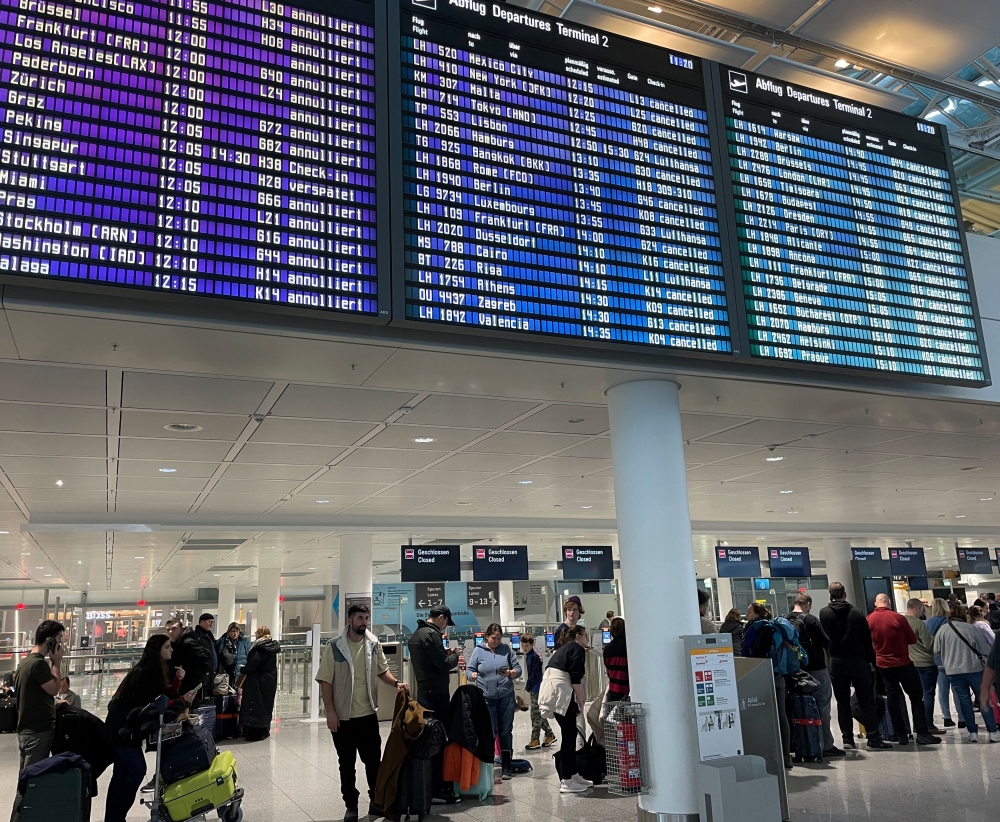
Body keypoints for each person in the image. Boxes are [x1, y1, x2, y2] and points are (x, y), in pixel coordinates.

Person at [317, 604, 406, 822]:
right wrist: (330, 711)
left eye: (366, 618)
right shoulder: (335, 646)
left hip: (367, 715)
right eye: (359, 618)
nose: (364, 622)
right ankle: (351, 805)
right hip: (343, 717)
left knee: (374, 762)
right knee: (346, 764)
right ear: (349, 620)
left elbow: (382, 671)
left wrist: (396, 684)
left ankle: (376, 802)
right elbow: (325, 681)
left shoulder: (374, 643)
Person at [104, 634, 198, 822]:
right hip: (122, 730)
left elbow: (160, 695)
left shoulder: (154, 670)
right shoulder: (146, 672)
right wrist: (181, 700)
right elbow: (154, 703)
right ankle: (115, 817)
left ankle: (115, 818)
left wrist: (178, 683)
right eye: (166, 647)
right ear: (157, 650)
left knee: (122, 775)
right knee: (136, 770)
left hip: (124, 728)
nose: (171, 650)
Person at [819, 582, 888, 750]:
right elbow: (866, 639)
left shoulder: (824, 613)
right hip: (858, 662)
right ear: (845, 594)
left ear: (830, 595)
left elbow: (824, 640)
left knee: (842, 702)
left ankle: (847, 739)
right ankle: (873, 737)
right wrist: (871, 661)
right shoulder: (856, 613)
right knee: (865, 700)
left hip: (837, 663)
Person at [867, 593, 940, 745]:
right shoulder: (898, 618)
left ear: (876, 603)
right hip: (903, 662)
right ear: (889, 603)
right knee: (916, 696)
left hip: (883, 664)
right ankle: (922, 732)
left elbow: (867, 643)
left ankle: (901, 734)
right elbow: (912, 639)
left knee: (893, 698)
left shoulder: (869, 619)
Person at [10, 619, 64, 822]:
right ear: (49, 641)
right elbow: (55, 688)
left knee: (26, 779)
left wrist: (52, 705)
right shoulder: (39, 664)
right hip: (37, 733)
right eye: (59, 640)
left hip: (27, 731)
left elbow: (34, 696)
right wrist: (56, 663)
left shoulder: (25, 662)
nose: (61, 645)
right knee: (30, 783)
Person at [408, 605, 460, 803]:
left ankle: (427, 786)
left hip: (423, 694)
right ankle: (437, 788)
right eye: (446, 622)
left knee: (427, 738)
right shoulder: (432, 635)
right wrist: (454, 654)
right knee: (438, 739)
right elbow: (445, 664)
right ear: (440, 618)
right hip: (436, 695)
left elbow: (430, 660)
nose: (446, 626)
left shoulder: (416, 635)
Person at [785, 594, 841, 757]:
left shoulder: (785, 619)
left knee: (798, 708)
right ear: (808, 604)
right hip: (815, 668)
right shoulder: (810, 619)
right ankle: (826, 745)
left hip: (795, 671)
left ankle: (801, 743)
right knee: (822, 705)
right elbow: (825, 642)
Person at [935, 603, 999, 742]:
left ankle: (973, 733)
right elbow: (984, 649)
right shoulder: (971, 629)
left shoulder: (943, 630)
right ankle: (992, 732)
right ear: (964, 616)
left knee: (964, 701)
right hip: (974, 669)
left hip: (953, 671)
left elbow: (936, 650)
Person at [539, 625, 591, 794]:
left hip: (553, 689)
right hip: (559, 690)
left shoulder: (566, 649)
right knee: (569, 735)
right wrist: (581, 701)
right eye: (585, 636)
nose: (587, 640)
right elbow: (575, 678)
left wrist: (574, 703)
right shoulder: (577, 648)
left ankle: (572, 774)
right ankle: (567, 780)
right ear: (577, 636)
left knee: (570, 733)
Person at [467, 623, 521, 779]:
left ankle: (506, 766)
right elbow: (470, 669)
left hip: (506, 696)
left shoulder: (507, 650)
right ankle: (488, 765)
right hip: (486, 698)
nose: (496, 641)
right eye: (493, 638)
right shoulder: (478, 651)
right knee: (489, 732)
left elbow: (518, 669)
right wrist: (473, 675)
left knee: (505, 731)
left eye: (499, 638)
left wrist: (511, 673)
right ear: (486, 637)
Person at [742, 604, 793, 768]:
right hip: (779, 675)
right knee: (781, 715)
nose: (747, 615)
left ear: (756, 614)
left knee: (762, 716)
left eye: (749, 612)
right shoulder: (777, 628)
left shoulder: (754, 628)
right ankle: (786, 755)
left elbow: (745, 652)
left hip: (760, 675)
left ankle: (767, 755)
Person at [904, 598, 941, 733]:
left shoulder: (901, 622)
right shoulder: (919, 623)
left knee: (915, 696)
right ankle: (928, 725)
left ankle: (917, 724)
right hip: (926, 663)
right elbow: (929, 646)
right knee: (928, 694)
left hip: (910, 663)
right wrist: (934, 639)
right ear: (917, 608)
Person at [240, 626, 279, 741]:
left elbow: (252, 665)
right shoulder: (271, 647)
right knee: (266, 705)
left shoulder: (260, 648)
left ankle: (255, 733)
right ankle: (265, 730)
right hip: (270, 680)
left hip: (258, 681)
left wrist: (243, 670)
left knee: (255, 705)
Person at [926, 599, 957, 728]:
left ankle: (946, 717)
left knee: (942, 690)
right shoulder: (950, 621)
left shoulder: (928, 622)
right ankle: (962, 718)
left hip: (937, 660)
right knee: (957, 690)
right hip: (952, 659)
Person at [521, 634, 556, 750]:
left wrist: (528, 685)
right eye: (523, 646)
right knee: (538, 714)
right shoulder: (529, 656)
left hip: (536, 688)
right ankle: (549, 734)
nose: (524, 648)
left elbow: (535, 675)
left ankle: (535, 739)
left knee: (535, 715)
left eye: (526, 646)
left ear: (532, 645)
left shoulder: (534, 657)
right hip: (535, 688)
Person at [170, 617, 211, 700]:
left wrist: (189, 677)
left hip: (188, 685)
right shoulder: (176, 643)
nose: (171, 632)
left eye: (174, 629)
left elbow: (205, 659)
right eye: (168, 629)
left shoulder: (187, 642)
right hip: (180, 683)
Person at [603, 617, 629, 702]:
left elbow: (608, 670)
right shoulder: (629, 646)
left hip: (613, 689)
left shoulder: (607, 648)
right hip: (628, 690)